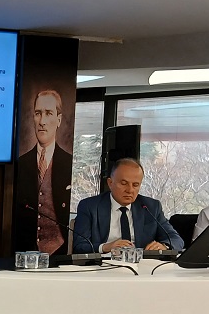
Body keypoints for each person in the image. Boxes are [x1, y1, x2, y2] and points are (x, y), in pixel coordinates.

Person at [72, 157, 184, 253]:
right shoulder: (90, 206)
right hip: (103, 265)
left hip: (142, 266)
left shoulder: (151, 207)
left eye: (135, 185)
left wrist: (164, 246)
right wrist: (106, 247)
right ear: (110, 183)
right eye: (124, 183)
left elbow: (176, 240)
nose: (130, 190)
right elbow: (79, 246)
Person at [13, 89, 72, 253]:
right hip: (24, 251)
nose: (42, 121)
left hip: (59, 250)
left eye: (48, 113)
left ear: (59, 120)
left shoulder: (69, 163)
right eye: (38, 113)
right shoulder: (20, 163)